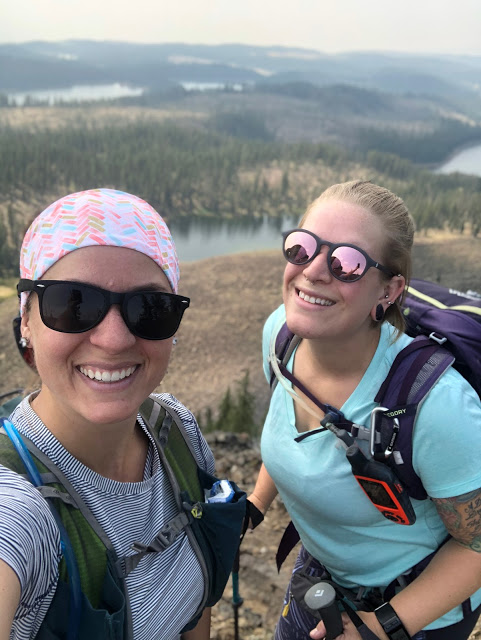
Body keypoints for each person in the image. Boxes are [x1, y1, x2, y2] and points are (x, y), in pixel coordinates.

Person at [248, 180, 481, 640]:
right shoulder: (283, 336)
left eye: (347, 263)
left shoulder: (435, 406)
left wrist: (381, 627)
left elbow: (476, 545)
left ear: (389, 289)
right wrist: (255, 504)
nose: (313, 272)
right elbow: (298, 437)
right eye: (302, 248)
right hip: (322, 581)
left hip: (413, 616)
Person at [0, 188, 219, 640]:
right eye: (73, 302)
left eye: (150, 308)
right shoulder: (18, 508)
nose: (115, 339)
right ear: (25, 320)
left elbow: (194, 610)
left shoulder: (175, 431)